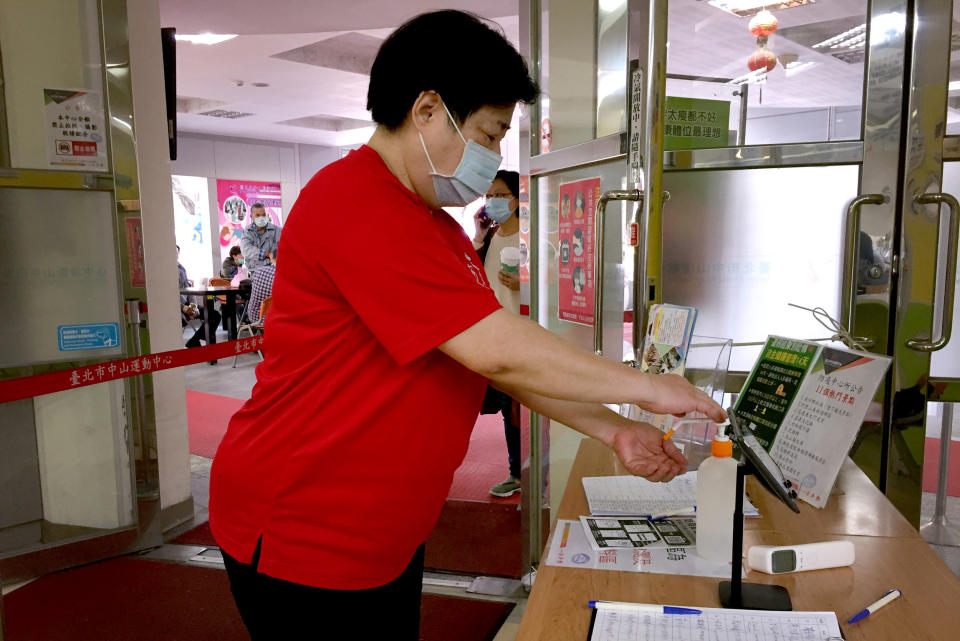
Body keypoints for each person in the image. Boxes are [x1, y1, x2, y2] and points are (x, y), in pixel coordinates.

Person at [209, 11, 725, 640]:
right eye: (488, 134)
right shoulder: (356, 202)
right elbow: (498, 352)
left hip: (379, 525)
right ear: (427, 109)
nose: (494, 157)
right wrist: (644, 386)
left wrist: (614, 429)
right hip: (305, 526)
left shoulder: (435, 226)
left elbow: (487, 361)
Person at [472, 169, 523, 497]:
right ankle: (516, 473)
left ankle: (528, 473)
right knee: (507, 407)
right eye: (488, 195)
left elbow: (550, 282)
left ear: (517, 199)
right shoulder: (491, 237)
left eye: (500, 195)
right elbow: (471, 272)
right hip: (493, 333)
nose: (492, 201)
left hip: (521, 333)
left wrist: (525, 285)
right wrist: (478, 234)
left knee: (520, 408)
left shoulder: (528, 237)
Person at [177, 245, 220, 348]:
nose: (175, 255)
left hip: (187, 304)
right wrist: (182, 307)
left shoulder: (181, 268)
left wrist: (194, 306)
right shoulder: (164, 272)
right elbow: (167, 296)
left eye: (176, 253)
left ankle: (194, 340)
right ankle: (195, 341)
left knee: (214, 315)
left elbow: (189, 291)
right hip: (177, 307)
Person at [240, 203, 281, 273]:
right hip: (254, 272)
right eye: (257, 215)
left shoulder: (277, 230)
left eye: (263, 215)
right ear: (251, 217)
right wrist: (266, 254)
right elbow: (246, 249)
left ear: (267, 215)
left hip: (272, 271)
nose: (261, 218)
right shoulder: (247, 231)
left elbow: (284, 248)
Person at [246, 247, 276, 324]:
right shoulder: (286, 276)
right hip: (278, 317)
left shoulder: (258, 271)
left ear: (271, 257)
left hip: (256, 316)